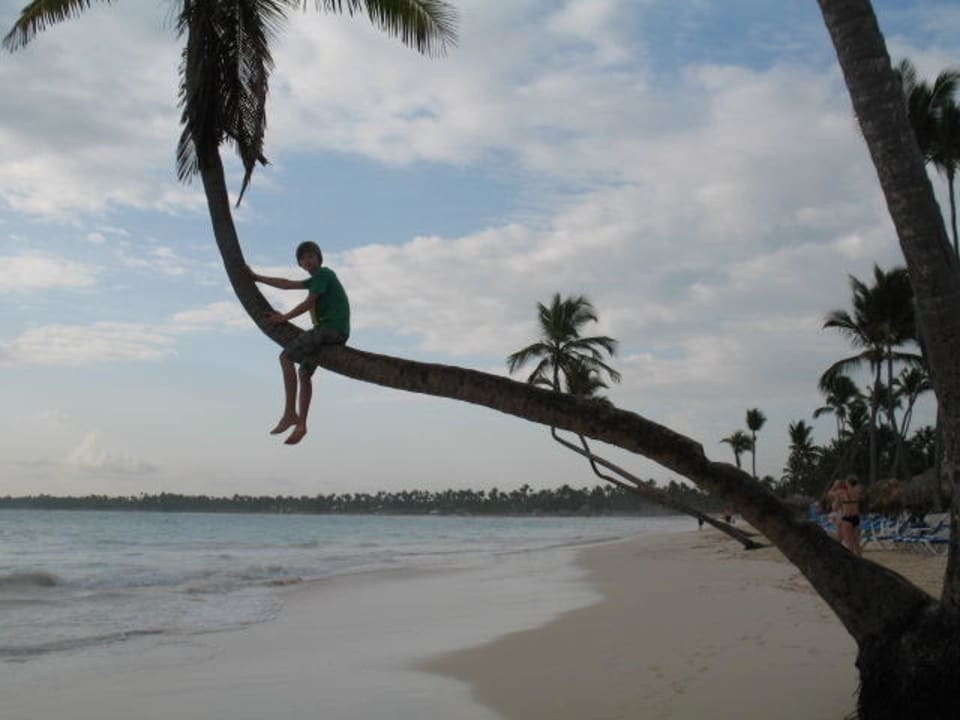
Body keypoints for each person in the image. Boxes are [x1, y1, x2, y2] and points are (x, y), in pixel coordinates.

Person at [249, 241, 350, 445]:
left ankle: (289, 413)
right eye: (303, 258)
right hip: (332, 333)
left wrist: (283, 318)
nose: (307, 260)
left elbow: (309, 302)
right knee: (304, 372)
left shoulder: (324, 274)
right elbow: (286, 284)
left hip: (330, 330)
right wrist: (257, 278)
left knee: (286, 357)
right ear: (300, 264)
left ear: (319, 258)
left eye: (311, 256)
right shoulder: (314, 280)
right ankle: (301, 424)